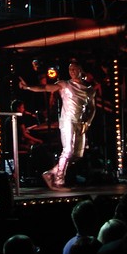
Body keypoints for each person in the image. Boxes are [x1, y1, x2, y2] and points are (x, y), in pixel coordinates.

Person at [18, 58, 97, 190]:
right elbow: (45, 88)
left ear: (80, 70)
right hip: (68, 121)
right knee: (68, 150)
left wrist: (87, 122)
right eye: (70, 69)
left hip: (80, 123)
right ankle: (59, 181)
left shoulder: (89, 89)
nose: (72, 71)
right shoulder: (65, 84)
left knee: (78, 154)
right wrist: (28, 87)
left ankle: (51, 173)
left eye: (74, 69)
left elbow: (92, 109)